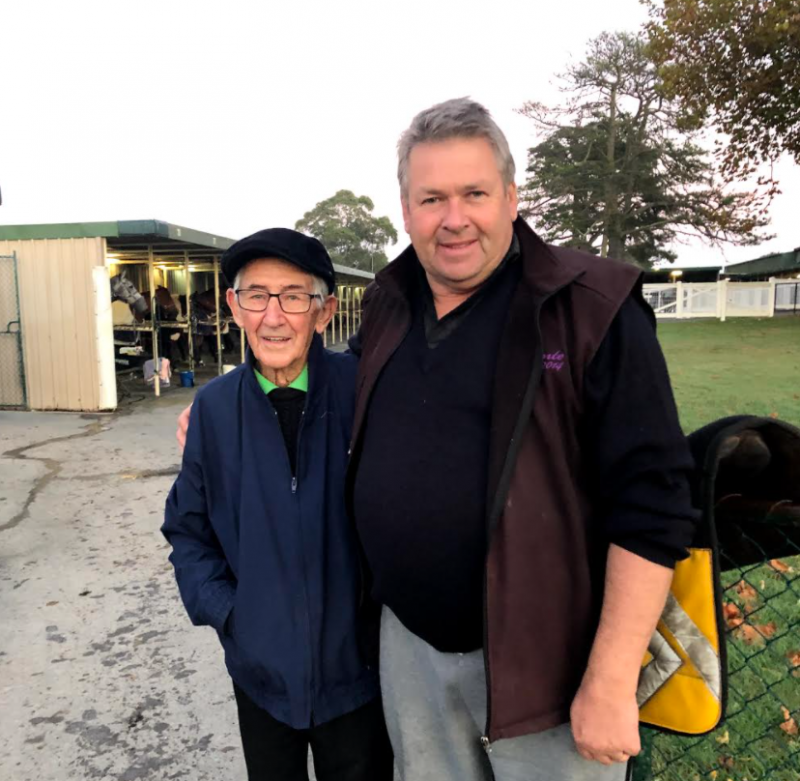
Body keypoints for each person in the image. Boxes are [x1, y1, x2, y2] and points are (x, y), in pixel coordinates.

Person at [178, 99, 698, 781]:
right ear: (406, 210)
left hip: (550, 670)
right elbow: (318, 383)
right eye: (431, 199)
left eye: (473, 193)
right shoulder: (390, 308)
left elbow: (654, 504)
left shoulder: (589, 310)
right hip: (409, 660)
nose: (454, 218)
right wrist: (226, 408)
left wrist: (610, 678)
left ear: (511, 197)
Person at [162, 229, 393, 781]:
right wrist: (231, 613)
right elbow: (188, 531)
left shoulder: (365, 394)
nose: (273, 316)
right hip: (260, 676)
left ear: (324, 312)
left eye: (293, 296)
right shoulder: (214, 410)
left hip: (357, 675)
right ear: (233, 306)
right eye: (256, 295)